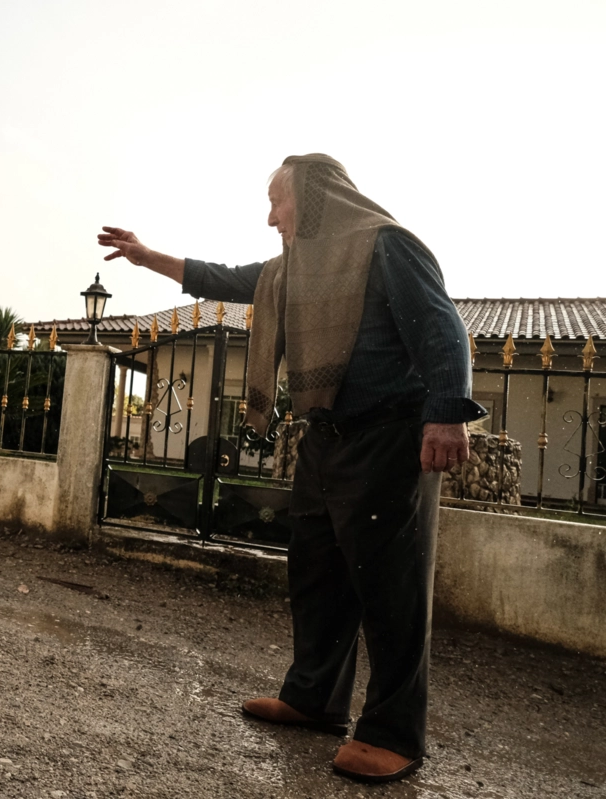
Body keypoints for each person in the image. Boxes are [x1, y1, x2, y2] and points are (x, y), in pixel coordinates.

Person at [98, 154, 485, 784]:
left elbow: (444, 331)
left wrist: (446, 415)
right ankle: (314, 699)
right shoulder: (291, 269)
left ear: (315, 195)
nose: (271, 217)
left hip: (387, 436)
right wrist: (147, 257)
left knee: (390, 588)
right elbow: (224, 278)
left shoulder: (386, 246)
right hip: (324, 437)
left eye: (277, 201)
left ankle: (393, 734)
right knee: (317, 574)